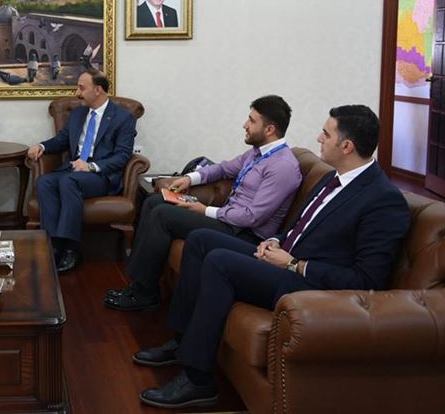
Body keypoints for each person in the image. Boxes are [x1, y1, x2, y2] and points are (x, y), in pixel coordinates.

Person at [135, 105, 411, 409]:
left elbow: (367, 279)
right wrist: (274, 241)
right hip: (285, 259)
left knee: (220, 262)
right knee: (201, 240)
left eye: (326, 133)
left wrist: (294, 264)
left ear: (347, 146)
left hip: (312, 287)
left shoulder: (382, 200)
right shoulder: (331, 178)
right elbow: (299, 227)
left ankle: (198, 380)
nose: (318, 138)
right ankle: (182, 341)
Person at [105, 96, 302, 312]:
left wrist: (205, 210)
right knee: (155, 200)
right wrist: (189, 179)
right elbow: (223, 168)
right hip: (228, 219)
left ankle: (143, 293)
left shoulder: (282, 166)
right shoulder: (257, 153)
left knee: (162, 215)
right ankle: (140, 284)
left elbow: (251, 217)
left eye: (252, 120)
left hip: (244, 233)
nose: (245, 124)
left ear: (269, 129)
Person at [27, 69, 136, 273]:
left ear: (98, 90)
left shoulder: (123, 118)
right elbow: (62, 140)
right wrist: (41, 146)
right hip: (74, 169)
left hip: (100, 175)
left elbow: (122, 156)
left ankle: (72, 250)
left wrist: (91, 166)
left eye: (81, 88)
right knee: (45, 182)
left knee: (69, 181)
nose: (77, 93)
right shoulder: (78, 114)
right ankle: (53, 245)